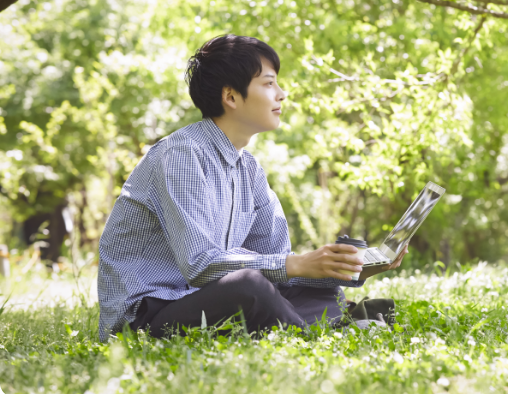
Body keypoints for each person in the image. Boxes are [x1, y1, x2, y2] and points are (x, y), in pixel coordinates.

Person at [97, 34, 407, 341]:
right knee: (250, 287)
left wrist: (349, 268)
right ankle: (327, 332)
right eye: (269, 83)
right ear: (231, 97)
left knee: (305, 286)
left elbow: (276, 260)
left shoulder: (248, 167)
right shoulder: (181, 155)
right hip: (148, 316)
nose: (281, 94)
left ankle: (326, 321)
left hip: (205, 300)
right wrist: (295, 263)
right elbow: (199, 264)